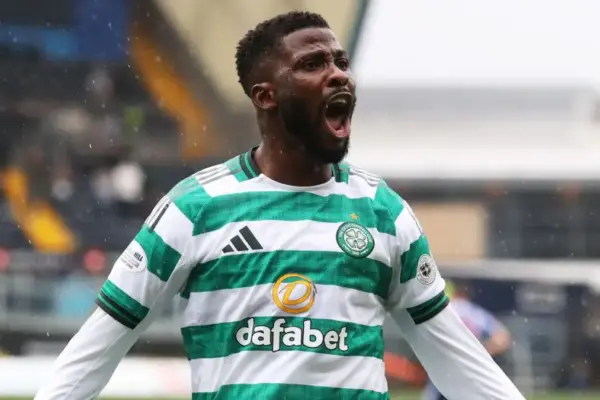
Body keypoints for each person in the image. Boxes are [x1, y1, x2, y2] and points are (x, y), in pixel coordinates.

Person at [35, 12, 525, 399]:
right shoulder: (194, 208)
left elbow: (456, 358)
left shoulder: (384, 212)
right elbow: (96, 350)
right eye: (313, 64)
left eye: (341, 62)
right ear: (265, 96)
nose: (338, 75)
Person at [422, 281, 513, 400]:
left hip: (447, 366)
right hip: (470, 368)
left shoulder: (451, 308)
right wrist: (481, 352)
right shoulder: (472, 312)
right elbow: (502, 337)